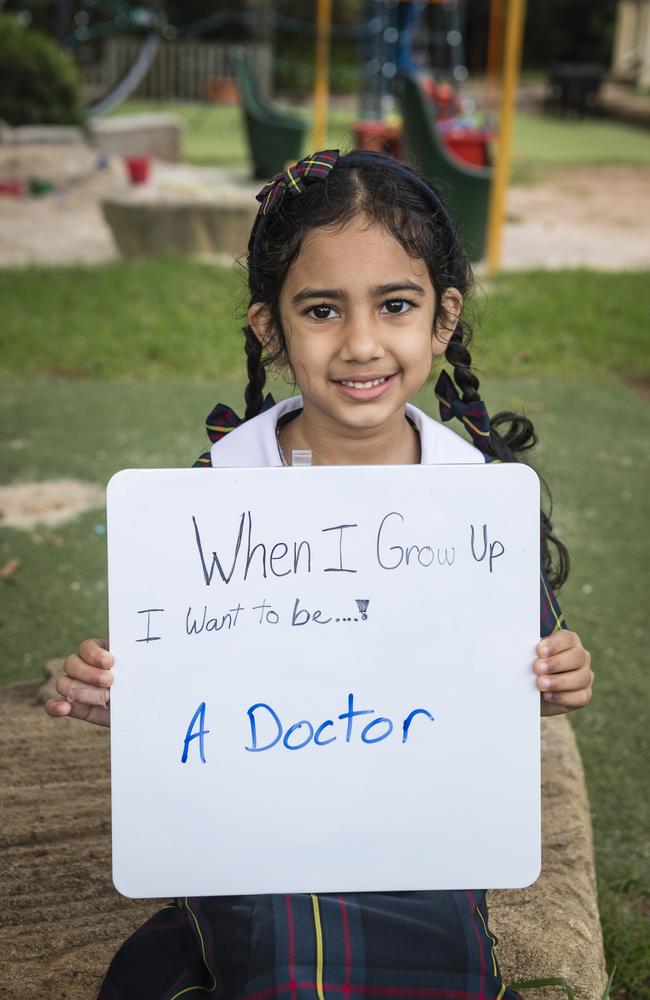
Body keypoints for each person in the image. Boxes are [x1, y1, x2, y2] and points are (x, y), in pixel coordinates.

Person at [46, 149, 594, 999]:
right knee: (282, 963)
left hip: (424, 838)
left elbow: (527, 658)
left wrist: (557, 673)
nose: (362, 343)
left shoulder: (475, 494)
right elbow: (179, 686)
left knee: (430, 966)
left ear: (443, 321)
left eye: (396, 305)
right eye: (323, 309)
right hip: (255, 838)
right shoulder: (218, 492)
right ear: (271, 326)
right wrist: (114, 687)